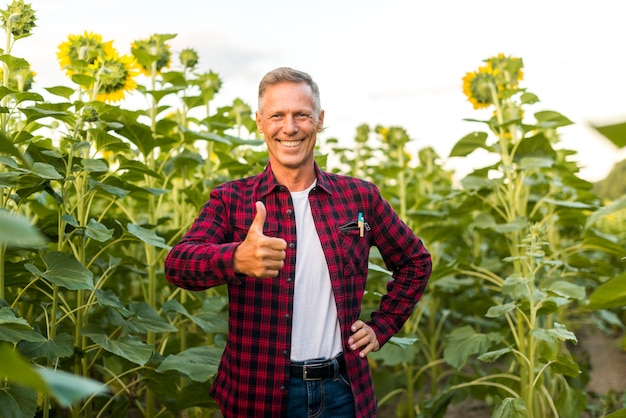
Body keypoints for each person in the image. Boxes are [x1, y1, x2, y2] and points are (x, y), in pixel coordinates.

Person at [164, 67, 432, 418]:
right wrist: (236, 259)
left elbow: (415, 261)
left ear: (319, 120)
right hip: (258, 392)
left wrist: (382, 326)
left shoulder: (359, 197)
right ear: (260, 122)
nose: (289, 127)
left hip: (343, 390)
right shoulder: (232, 200)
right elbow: (178, 265)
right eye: (277, 115)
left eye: (301, 115)